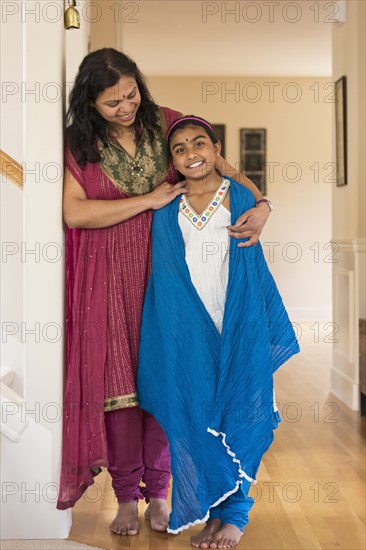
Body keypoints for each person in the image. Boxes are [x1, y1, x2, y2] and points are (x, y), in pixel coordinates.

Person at [58, 48, 271, 537]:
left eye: (131, 93)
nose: (127, 106)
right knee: (120, 394)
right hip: (108, 279)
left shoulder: (170, 126)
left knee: (166, 385)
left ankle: (160, 493)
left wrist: (262, 205)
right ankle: (125, 498)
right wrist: (150, 199)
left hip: (168, 277)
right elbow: (75, 213)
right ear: (90, 105)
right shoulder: (80, 145)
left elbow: (227, 171)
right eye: (112, 102)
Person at [137, 116, 300, 548]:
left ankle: (236, 513)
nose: (192, 153)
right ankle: (211, 508)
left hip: (236, 320)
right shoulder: (167, 206)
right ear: (172, 161)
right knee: (195, 412)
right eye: (180, 149)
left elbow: (249, 263)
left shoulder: (241, 195)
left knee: (244, 410)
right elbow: (166, 278)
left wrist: (264, 205)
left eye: (199, 144)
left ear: (217, 149)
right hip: (188, 327)